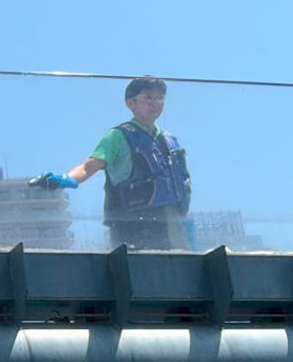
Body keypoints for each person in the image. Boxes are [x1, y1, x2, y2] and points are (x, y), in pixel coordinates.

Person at [31, 76, 192, 250]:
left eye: (160, 98)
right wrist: (65, 179)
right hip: (133, 227)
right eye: (148, 98)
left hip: (173, 227)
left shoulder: (169, 140)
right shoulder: (118, 136)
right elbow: (88, 166)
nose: (155, 103)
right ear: (131, 103)